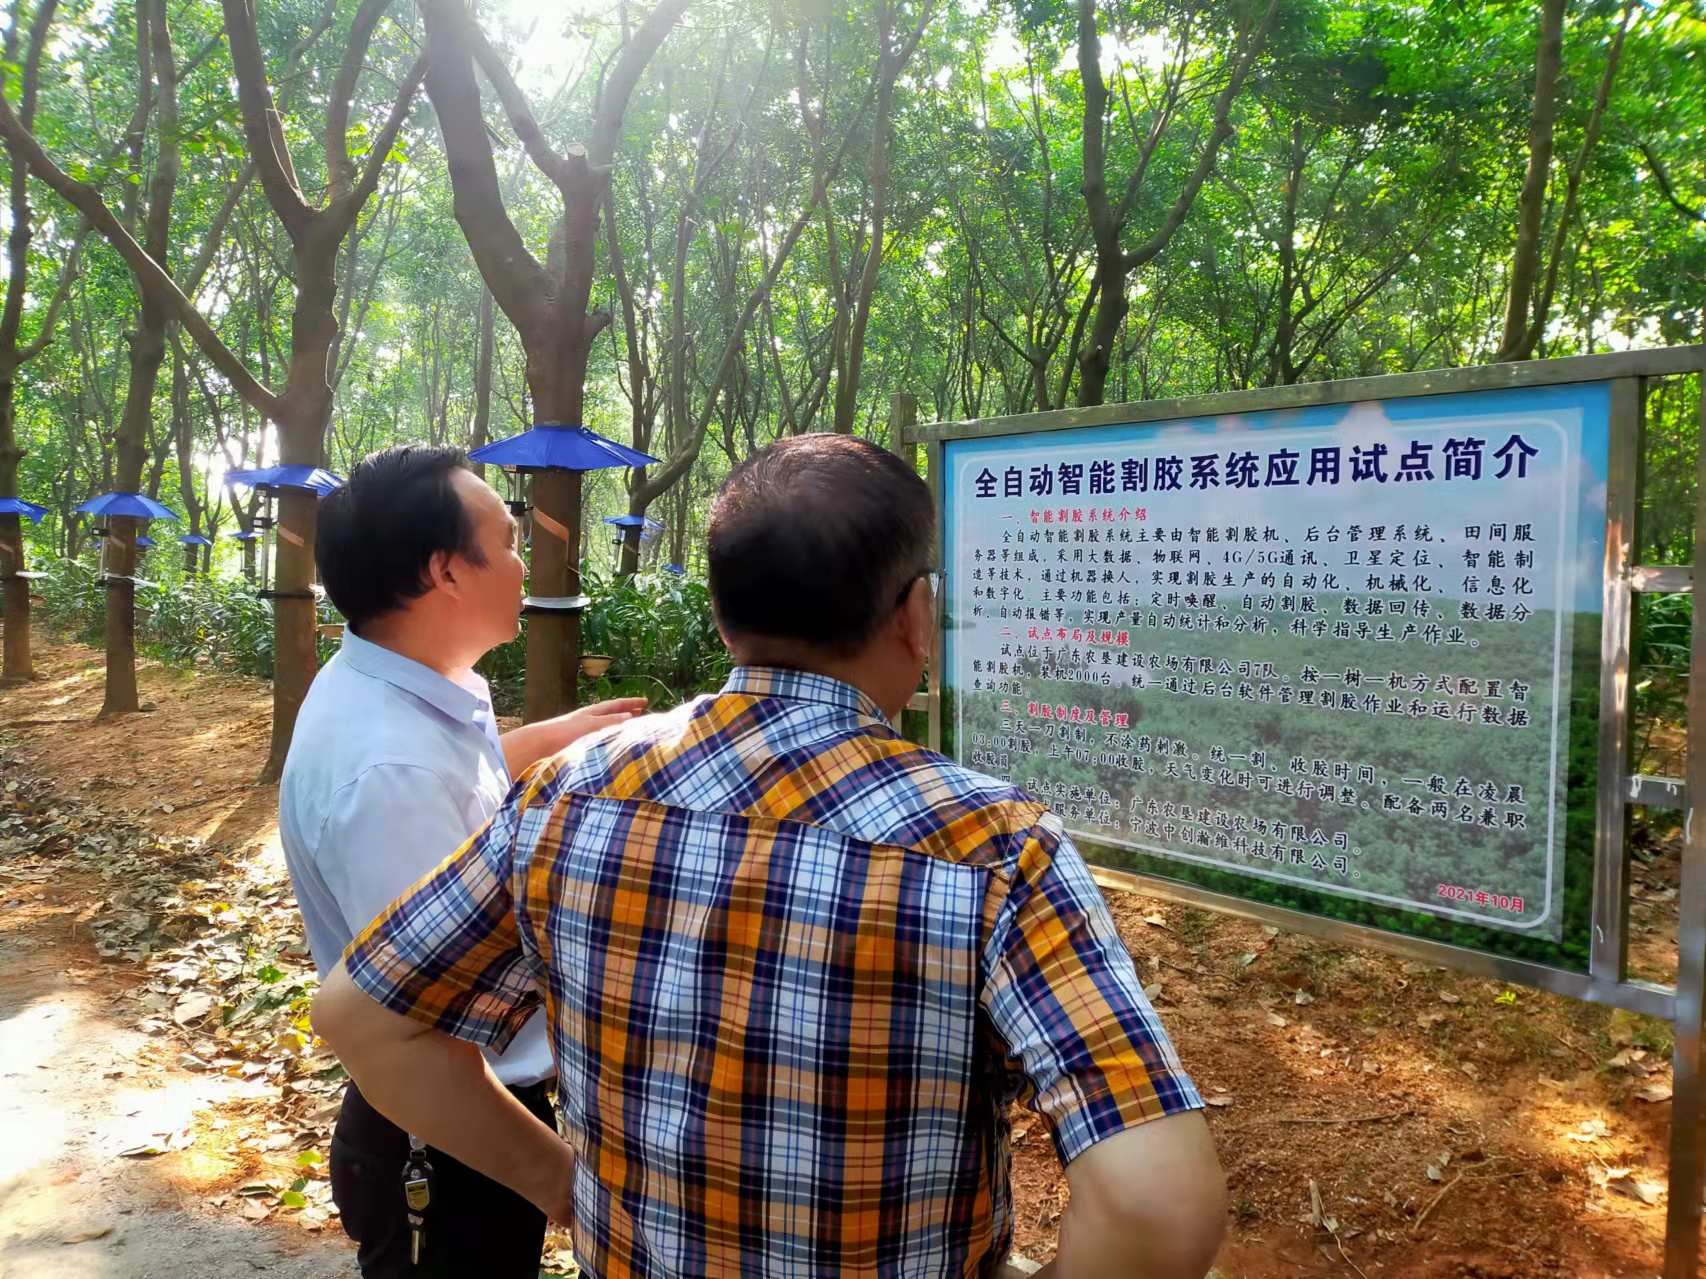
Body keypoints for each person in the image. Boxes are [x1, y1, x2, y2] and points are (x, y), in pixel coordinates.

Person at [312, 434, 1225, 1279]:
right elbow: (1157, 1207)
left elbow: (363, 1015)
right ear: (916, 614)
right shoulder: (991, 848)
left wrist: (563, 1183)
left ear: (719, 615)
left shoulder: (566, 795)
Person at [279, 444, 645, 1278]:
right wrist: (568, 1186)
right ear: (446, 570)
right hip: (447, 1141)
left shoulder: (403, 683)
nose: (524, 564)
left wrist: (551, 743)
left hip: (451, 1122)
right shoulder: (390, 774)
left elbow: (457, 787)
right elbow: (421, 1031)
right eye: (509, 542)